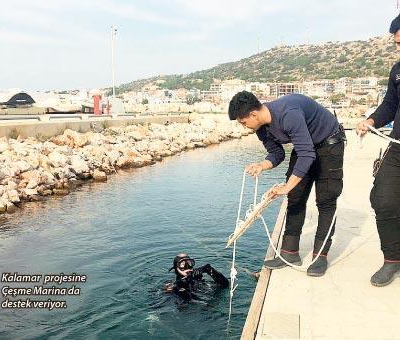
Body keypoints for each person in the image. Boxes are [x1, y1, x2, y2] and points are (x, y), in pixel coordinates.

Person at [228, 91, 346, 276]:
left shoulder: (288, 113)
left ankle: (320, 257)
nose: (244, 127)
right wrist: (262, 165)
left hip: (330, 144)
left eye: (243, 123)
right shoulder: (260, 127)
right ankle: (290, 253)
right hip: (305, 145)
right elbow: (277, 154)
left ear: (253, 114)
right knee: (295, 197)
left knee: (326, 201)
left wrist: (286, 187)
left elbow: (307, 155)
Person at [355, 14, 400, 287]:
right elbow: (390, 105)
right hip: (397, 147)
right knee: (382, 199)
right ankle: (392, 260)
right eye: (397, 43)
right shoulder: (397, 71)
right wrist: (371, 121)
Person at [165, 253, 229, 301]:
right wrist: (182, 286)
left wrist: (209, 270)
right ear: (176, 269)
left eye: (189, 263)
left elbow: (225, 285)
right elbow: (189, 300)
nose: (187, 268)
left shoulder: (198, 279)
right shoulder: (175, 286)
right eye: (182, 265)